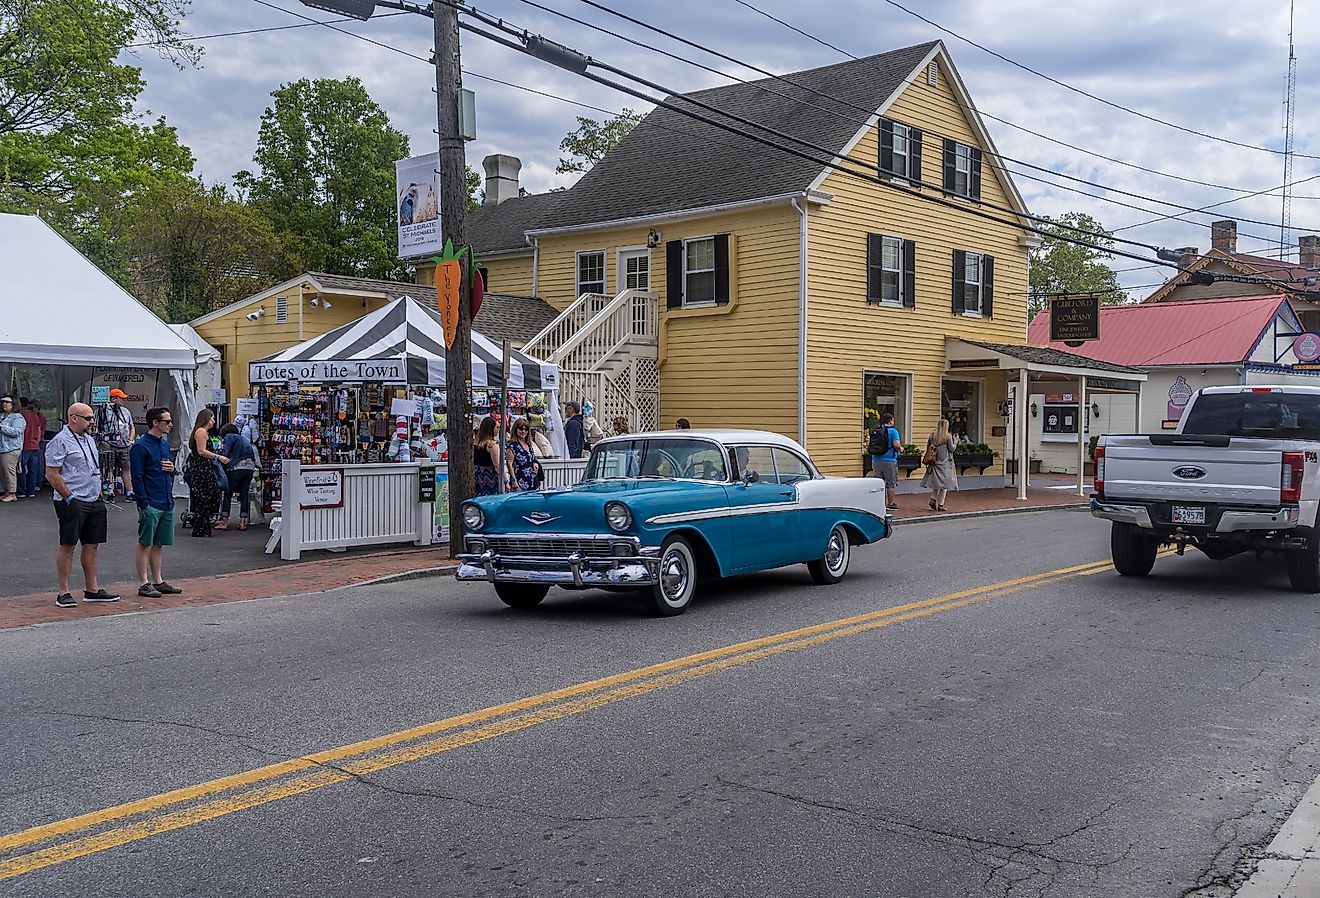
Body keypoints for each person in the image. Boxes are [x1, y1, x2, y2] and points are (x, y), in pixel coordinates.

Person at [45, 403, 118, 607]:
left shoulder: (88, 440)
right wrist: (69, 497)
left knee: (92, 544)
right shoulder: (60, 441)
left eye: (92, 418)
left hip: (93, 497)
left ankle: (92, 589)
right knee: (68, 544)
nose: (91, 422)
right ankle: (63, 592)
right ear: (73, 418)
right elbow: (52, 474)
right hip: (72, 498)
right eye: (88, 418)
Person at [130, 407, 183, 597]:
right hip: (151, 501)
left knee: (159, 543)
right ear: (155, 423)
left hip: (166, 499)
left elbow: (167, 468)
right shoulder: (141, 446)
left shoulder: (163, 443)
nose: (170, 424)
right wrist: (144, 503)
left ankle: (158, 580)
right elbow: (137, 477)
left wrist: (172, 469)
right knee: (145, 542)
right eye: (167, 421)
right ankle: (144, 582)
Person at [185, 409, 227, 537]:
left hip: (203, 467)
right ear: (206, 418)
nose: (214, 421)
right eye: (212, 418)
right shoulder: (201, 432)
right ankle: (201, 526)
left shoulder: (203, 432)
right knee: (206, 496)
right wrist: (217, 457)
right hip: (201, 468)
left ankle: (202, 525)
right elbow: (202, 451)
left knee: (206, 496)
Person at [95, 388, 136, 499]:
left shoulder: (126, 411)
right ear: (113, 398)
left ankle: (130, 492)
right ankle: (110, 492)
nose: (123, 400)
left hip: (124, 445)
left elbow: (132, 427)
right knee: (109, 469)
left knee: (126, 468)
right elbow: (96, 427)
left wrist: (131, 440)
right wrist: (102, 439)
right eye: (120, 398)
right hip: (109, 445)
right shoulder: (102, 411)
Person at [217, 422, 258, 531]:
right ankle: (242, 522)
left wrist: (218, 456)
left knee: (228, 493)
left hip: (236, 467)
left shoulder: (229, 436)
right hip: (250, 467)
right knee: (244, 494)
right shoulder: (244, 439)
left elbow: (224, 453)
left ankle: (224, 522)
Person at [920, 417, 959, 512]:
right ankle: (941, 504)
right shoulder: (948, 437)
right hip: (945, 463)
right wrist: (956, 441)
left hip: (934, 462)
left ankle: (933, 499)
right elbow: (952, 449)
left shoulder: (932, 436)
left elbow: (928, 447)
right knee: (944, 485)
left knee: (937, 483)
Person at [871, 412, 901, 511]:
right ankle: (890, 503)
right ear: (890, 421)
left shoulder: (876, 430)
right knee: (890, 483)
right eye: (893, 420)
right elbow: (896, 445)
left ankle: (878, 503)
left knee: (878, 483)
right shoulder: (893, 431)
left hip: (876, 459)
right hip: (889, 460)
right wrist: (901, 449)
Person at [19, 398, 47, 498]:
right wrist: (37, 442)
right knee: (33, 469)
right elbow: (39, 430)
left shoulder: (21, 415)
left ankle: (21, 491)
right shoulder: (37, 417)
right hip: (34, 445)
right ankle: (31, 491)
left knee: (21, 469)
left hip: (25, 445)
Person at [505, 417, 542, 491]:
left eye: (526, 429)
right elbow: (509, 463)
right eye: (521, 429)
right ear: (516, 430)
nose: (523, 431)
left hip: (531, 481)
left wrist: (535, 463)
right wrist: (513, 481)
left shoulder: (529, 445)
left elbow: (532, 459)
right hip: (519, 482)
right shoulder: (512, 446)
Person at [0, 396, 25, 503]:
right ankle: (7, 491)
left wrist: (2, 427)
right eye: (3, 402)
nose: (4, 404)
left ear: (14, 404)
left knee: (9, 471)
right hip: (2, 447)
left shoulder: (18, 418)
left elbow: (16, 432)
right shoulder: (2, 416)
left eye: (7, 402)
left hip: (11, 448)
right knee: (3, 471)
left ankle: (12, 493)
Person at [473, 416, 500, 496]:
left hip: (477, 476)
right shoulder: (492, 444)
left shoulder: (475, 444)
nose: (498, 430)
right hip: (490, 477)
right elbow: (497, 466)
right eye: (497, 427)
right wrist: (505, 480)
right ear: (491, 428)